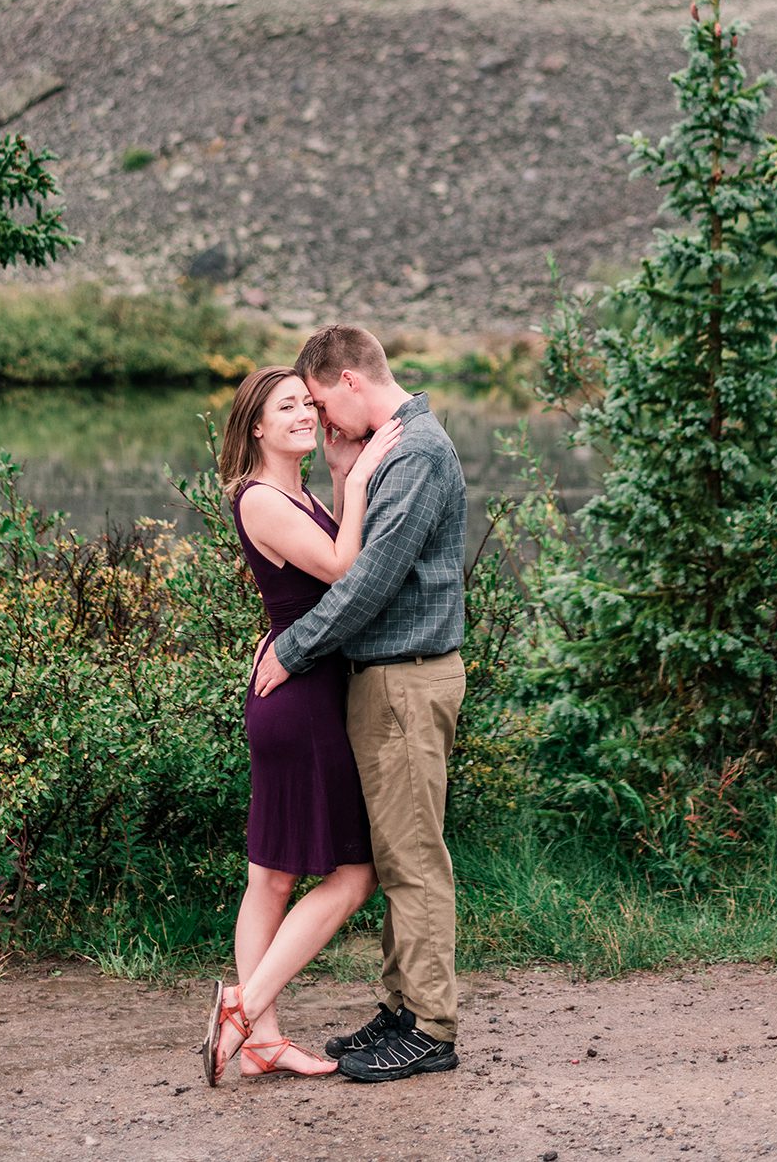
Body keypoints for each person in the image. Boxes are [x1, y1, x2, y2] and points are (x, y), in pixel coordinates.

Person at [253, 324, 468, 1084]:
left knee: (413, 861)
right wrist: (348, 471)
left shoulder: (415, 453)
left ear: (349, 381)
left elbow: (368, 581)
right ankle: (402, 1007)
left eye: (318, 402)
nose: (320, 423)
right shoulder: (394, 446)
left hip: (408, 679)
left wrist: (292, 647)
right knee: (392, 855)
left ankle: (431, 1029)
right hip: (383, 680)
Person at [201, 365, 399, 1086]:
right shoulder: (261, 498)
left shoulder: (295, 492)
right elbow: (346, 567)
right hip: (301, 702)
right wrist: (362, 471)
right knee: (355, 872)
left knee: (272, 876)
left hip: (300, 688)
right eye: (286, 408)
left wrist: (341, 474)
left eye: (307, 405)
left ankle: (260, 1039)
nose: (303, 416)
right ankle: (246, 1010)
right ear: (256, 426)